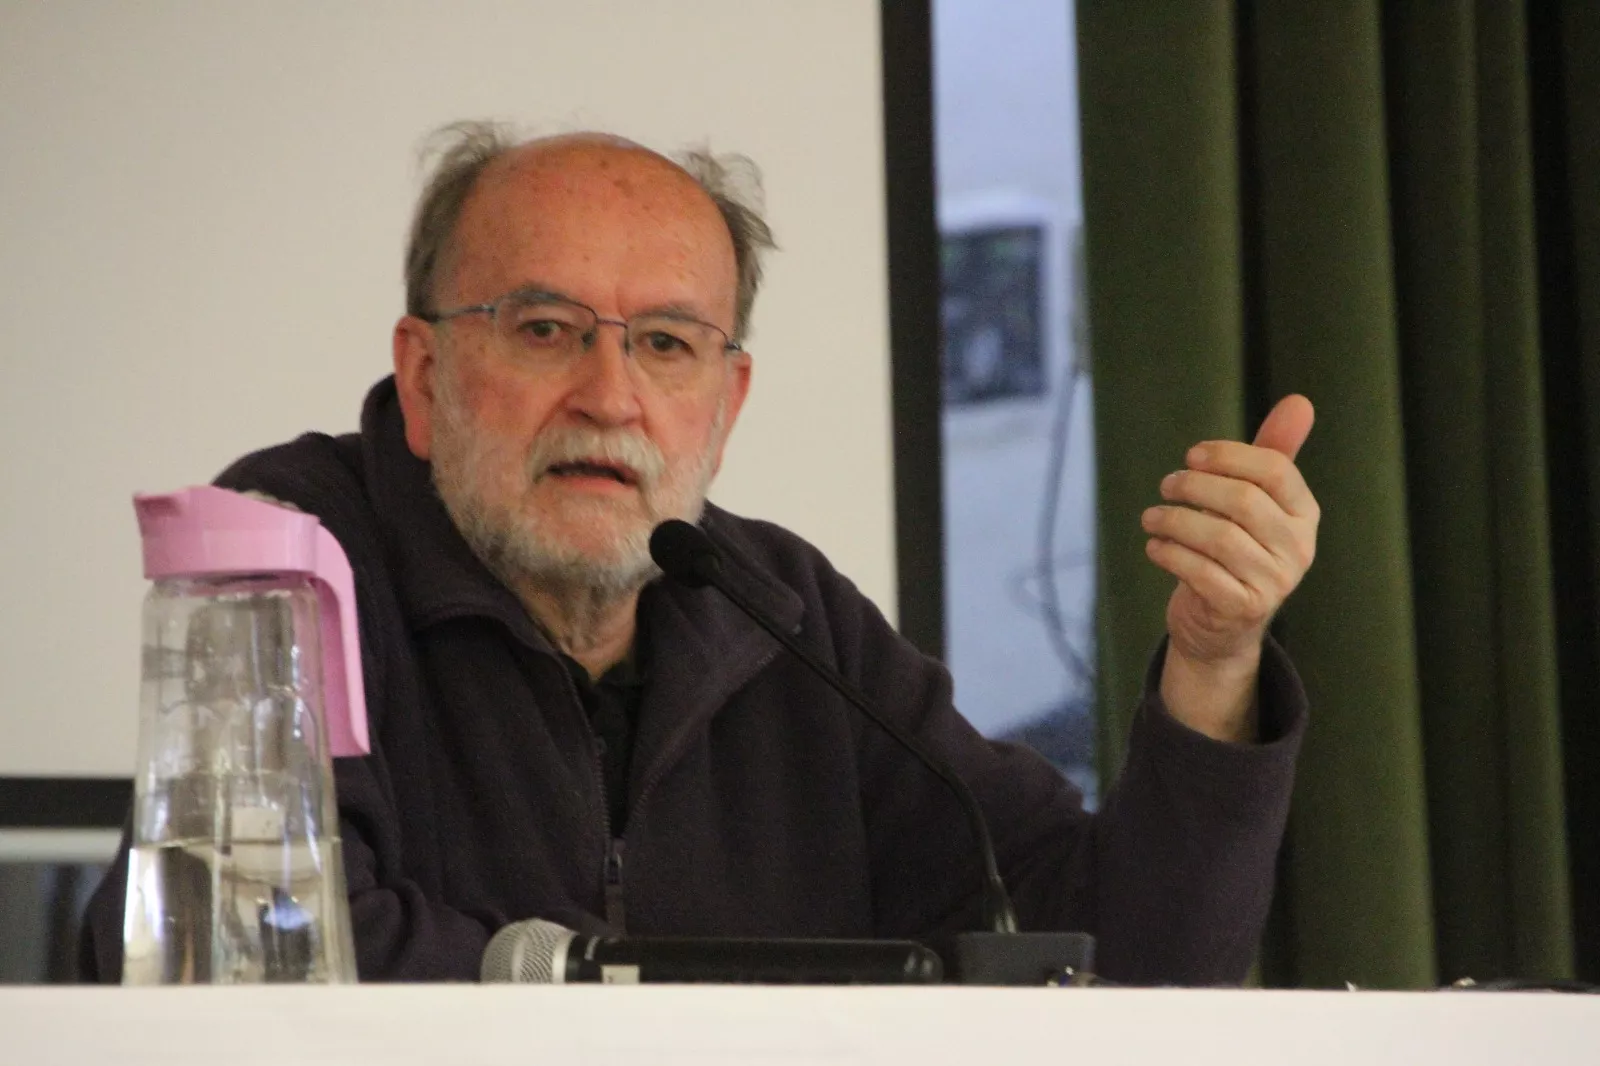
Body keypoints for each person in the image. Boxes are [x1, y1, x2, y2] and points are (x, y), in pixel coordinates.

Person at [81, 123, 1320, 985]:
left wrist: (1214, 662)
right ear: (423, 374)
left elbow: (1125, 968)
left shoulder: (785, 615)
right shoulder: (290, 556)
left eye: (667, 344)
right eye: (546, 328)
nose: (608, 393)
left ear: (725, 406)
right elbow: (241, 949)